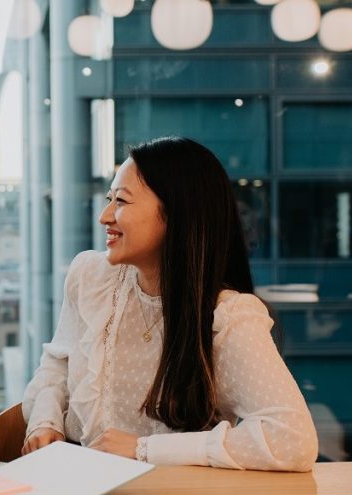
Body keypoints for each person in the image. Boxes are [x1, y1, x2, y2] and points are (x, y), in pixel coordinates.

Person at [21, 137, 318, 471]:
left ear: (176, 214)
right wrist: (45, 422)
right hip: (80, 488)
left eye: (120, 201)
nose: (105, 216)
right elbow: (58, 364)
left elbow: (293, 439)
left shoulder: (227, 317)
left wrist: (144, 449)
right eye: (109, 200)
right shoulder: (91, 278)